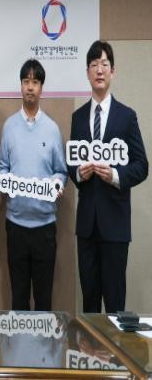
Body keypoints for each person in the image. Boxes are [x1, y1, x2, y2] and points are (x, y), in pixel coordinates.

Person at [69, 40, 148, 313]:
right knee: (89, 304)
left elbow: (142, 165)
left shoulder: (127, 117)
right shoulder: (78, 117)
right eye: (94, 65)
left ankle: (114, 345)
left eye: (104, 64)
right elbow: (71, 163)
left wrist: (114, 174)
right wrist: (79, 173)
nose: (99, 70)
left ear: (112, 71)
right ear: (87, 73)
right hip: (86, 227)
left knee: (115, 304)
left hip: (115, 225)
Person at [0, 58, 67, 311]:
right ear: (20, 85)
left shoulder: (52, 129)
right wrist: (4, 181)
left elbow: (61, 171)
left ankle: (44, 340)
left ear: (41, 88)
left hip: (44, 227)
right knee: (19, 298)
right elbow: (2, 167)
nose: (30, 87)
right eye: (26, 81)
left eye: (35, 82)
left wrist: (57, 184)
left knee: (43, 298)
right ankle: (19, 340)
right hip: (16, 225)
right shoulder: (9, 127)